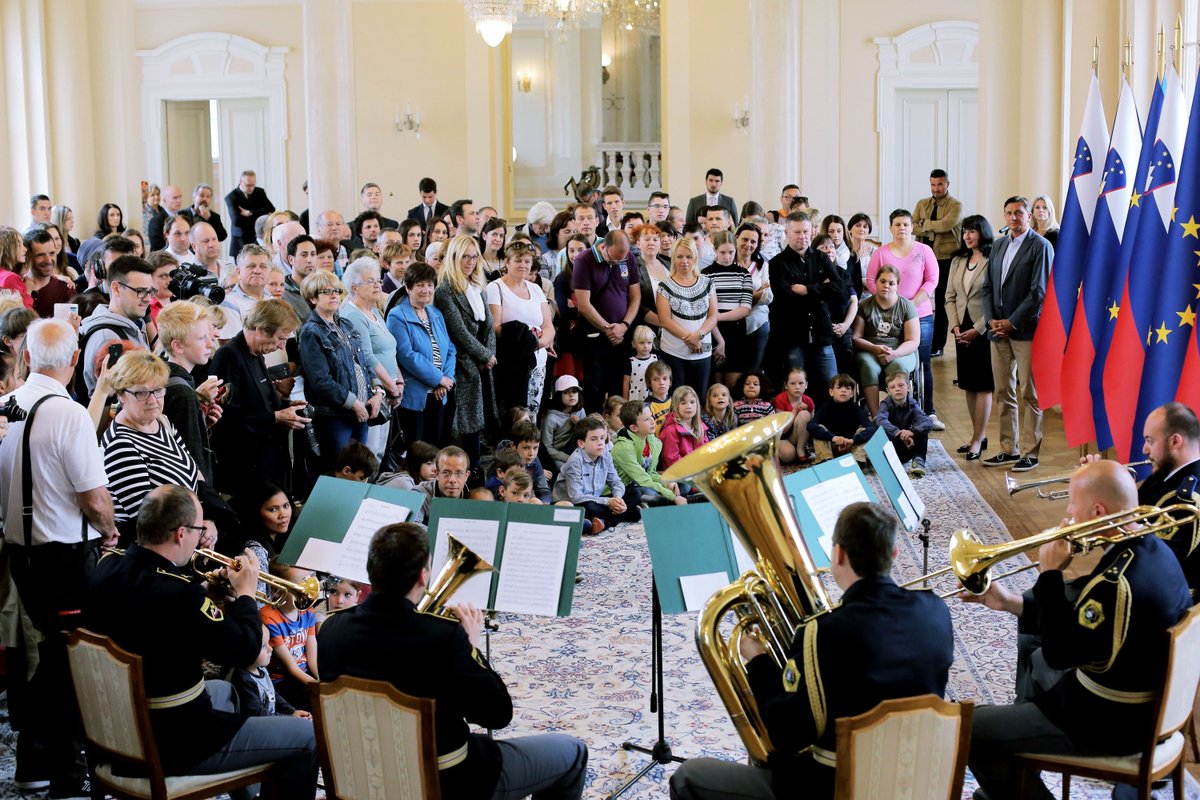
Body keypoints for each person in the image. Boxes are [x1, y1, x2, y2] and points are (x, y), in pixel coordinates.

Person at [669, 502, 953, 800]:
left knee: (689, 777)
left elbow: (786, 735)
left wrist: (758, 661)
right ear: (893, 554)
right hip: (916, 784)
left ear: (838, 554)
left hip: (838, 788)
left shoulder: (823, 631)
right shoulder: (936, 609)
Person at [963, 460, 1191, 800]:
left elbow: (1059, 653)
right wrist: (1009, 602)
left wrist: (1050, 574)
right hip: (1143, 702)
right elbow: (1081, 625)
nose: (1067, 514)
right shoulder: (1152, 547)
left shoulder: (1117, 581)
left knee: (970, 728)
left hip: (1109, 723)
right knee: (1033, 654)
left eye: (1072, 503)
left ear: (1098, 511)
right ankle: (1016, 767)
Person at [319, 521, 587, 798]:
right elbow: (497, 714)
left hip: (362, 778)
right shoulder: (443, 638)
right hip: (446, 783)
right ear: (423, 576)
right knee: (572, 752)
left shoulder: (330, 629)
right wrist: (470, 646)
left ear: (370, 572)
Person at [85, 485, 318, 799]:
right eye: (199, 530)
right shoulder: (181, 595)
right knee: (309, 736)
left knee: (226, 691)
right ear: (181, 533)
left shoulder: (107, 567)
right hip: (176, 742)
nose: (201, 538)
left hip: (119, 725)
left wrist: (208, 594)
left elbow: (155, 615)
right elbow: (247, 651)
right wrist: (247, 595)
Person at [0, 318, 120, 797]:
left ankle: (36, 763)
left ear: (27, 357)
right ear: (74, 359)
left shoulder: (8, 405)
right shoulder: (69, 413)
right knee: (70, 663)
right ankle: (65, 774)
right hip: (63, 556)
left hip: (21, 552)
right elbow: (94, 498)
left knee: (55, 656)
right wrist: (110, 530)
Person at [101, 351, 208, 544]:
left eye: (158, 390)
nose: (152, 400)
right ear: (121, 395)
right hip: (160, 545)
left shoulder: (161, 422)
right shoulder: (120, 444)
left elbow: (195, 473)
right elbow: (147, 521)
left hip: (188, 533)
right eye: (141, 393)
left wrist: (210, 520)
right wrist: (199, 530)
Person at [981, 196, 1053, 473]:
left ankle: (1030, 452)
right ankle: (1007, 448)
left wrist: (1012, 322)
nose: (1014, 217)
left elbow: (1038, 293)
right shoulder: (999, 245)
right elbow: (988, 288)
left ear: (1028, 216)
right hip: (997, 330)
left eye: (1019, 213)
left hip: (1026, 330)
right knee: (1003, 391)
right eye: (1009, 213)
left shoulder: (1041, 246)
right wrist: (991, 321)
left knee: (1030, 393)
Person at [210, 299, 307, 493]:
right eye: (280, 338)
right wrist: (276, 416)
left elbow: (259, 401)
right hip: (244, 466)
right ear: (261, 330)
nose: (282, 346)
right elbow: (227, 418)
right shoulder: (229, 356)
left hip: (267, 460)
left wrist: (285, 407)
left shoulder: (256, 354)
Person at [298, 270, 382, 473]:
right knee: (338, 471)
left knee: (358, 470)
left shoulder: (345, 323)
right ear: (312, 298)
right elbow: (321, 381)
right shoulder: (311, 331)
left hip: (361, 410)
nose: (334, 295)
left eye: (336, 291)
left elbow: (363, 363)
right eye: (326, 292)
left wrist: (377, 391)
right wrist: (354, 403)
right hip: (334, 416)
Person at [865, 209, 941, 427]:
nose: (902, 228)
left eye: (906, 224)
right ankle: (893, 412)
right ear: (890, 227)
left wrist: (910, 304)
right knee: (894, 359)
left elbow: (932, 280)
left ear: (912, 227)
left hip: (920, 314)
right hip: (888, 316)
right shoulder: (881, 253)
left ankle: (929, 411)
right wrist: (890, 303)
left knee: (923, 362)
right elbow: (871, 280)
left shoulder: (924, 250)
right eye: (897, 224)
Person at [435, 235, 498, 464]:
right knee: (465, 423)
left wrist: (489, 354)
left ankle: (476, 469)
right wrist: (484, 354)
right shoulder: (445, 290)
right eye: (465, 257)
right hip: (462, 362)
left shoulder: (478, 286)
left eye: (474, 257)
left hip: (482, 362)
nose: (470, 262)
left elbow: (489, 326)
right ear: (454, 258)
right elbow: (458, 331)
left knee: (481, 421)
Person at [768, 214, 844, 401]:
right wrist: (821, 292)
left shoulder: (821, 258)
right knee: (797, 388)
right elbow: (785, 298)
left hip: (821, 332)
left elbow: (839, 289)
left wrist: (807, 290)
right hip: (794, 334)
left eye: (805, 231)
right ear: (787, 232)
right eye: (797, 232)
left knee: (832, 383)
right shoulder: (777, 263)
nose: (802, 236)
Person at [340, 257, 403, 460]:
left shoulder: (374, 310)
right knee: (370, 451)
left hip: (389, 389)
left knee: (381, 450)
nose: (377, 285)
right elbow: (366, 357)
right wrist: (391, 387)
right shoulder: (352, 315)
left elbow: (389, 349)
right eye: (370, 281)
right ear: (354, 288)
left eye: (378, 280)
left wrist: (399, 381)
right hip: (372, 391)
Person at [573, 230, 642, 413]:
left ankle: (617, 426)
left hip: (622, 334)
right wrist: (609, 330)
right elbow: (583, 305)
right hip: (595, 334)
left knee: (618, 387)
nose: (617, 263)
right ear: (603, 246)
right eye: (613, 259)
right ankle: (595, 425)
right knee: (594, 388)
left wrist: (624, 326)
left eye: (621, 259)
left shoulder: (628, 258)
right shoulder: (584, 260)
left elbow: (635, 297)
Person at [944, 214, 995, 459]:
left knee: (983, 385)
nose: (967, 235)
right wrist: (955, 326)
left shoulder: (993, 258)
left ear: (983, 232)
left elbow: (995, 299)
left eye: (972, 231)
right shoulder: (958, 260)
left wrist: (978, 328)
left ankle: (978, 437)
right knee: (969, 384)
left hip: (983, 329)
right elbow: (949, 296)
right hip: (961, 329)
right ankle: (977, 436)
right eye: (965, 231)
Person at [390, 261, 456, 447]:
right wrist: (438, 379)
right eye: (419, 285)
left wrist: (446, 379)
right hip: (415, 396)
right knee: (417, 450)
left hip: (440, 394)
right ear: (408, 288)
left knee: (436, 448)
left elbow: (450, 349)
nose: (426, 289)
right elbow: (406, 355)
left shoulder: (435, 313)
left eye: (429, 284)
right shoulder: (397, 315)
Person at [487, 240, 555, 417]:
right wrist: (524, 340)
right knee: (514, 413)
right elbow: (495, 327)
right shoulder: (495, 288)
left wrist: (536, 344)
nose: (523, 265)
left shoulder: (536, 289)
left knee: (533, 413)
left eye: (527, 261)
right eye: (518, 260)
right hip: (510, 362)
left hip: (538, 360)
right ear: (507, 262)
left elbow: (548, 326)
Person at [159, 301, 221, 483]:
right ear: (177, 346)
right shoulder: (181, 393)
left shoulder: (167, 378)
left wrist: (200, 422)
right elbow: (191, 457)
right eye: (201, 338)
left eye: (209, 336)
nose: (210, 344)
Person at [79, 255, 155, 396]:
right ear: (116, 288)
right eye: (140, 291)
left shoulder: (134, 326)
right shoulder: (108, 338)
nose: (148, 299)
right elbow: (106, 399)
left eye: (150, 291)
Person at [851, 263, 920, 418]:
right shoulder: (864, 306)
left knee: (898, 367)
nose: (886, 286)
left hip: (900, 351)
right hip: (870, 350)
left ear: (897, 286)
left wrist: (894, 354)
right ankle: (877, 417)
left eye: (891, 283)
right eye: (882, 281)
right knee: (867, 366)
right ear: (875, 282)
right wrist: (874, 349)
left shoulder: (907, 306)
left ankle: (900, 416)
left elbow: (913, 341)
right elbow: (856, 337)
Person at [554, 416, 640, 533]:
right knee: (591, 508)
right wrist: (608, 502)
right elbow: (576, 497)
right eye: (594, 439)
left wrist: (617, 499)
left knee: (635, 493)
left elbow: (616, 482)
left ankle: (603, 521)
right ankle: (615, 518)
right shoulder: (575, 461)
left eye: (602, 438)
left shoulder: (606, 454)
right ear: (581, 443)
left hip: (596, 500)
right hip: (574, 504)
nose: (600, 443)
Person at [911, 169, 963, 358]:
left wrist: (925, 224)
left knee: (942, 302)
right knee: (917, 297)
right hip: (922, 258)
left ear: (947, 184)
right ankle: (916, 339)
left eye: (940, 184)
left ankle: (938, 344)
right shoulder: (922, 203)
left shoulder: (955, 205)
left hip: (946, 259)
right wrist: (933, 226)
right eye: (933, 184)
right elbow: (912, 226)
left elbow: (946, 225)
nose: (936, 188)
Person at [656, 237, 717, 393]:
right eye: (680, 256)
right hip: (674, 352)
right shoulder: (664, 286)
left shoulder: (707, 283)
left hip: (702, 351)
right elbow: (664, 320)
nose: (684, 261)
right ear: (673, 258)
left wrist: (699, 335)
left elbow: (713, 316)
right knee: (677, 397)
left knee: (700, 396)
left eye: (689, 257)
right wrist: (690, 338)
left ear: (695, 258)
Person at [613, 400, 687, 507]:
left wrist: (667, 483)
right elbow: (643, 479)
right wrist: (672, 496)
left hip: (644, 483)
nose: (653, 421)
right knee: (647, 492)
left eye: (651, 416)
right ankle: (674, 502)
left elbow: (651, 473)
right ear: (634, 428)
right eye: (646, 419)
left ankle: (671, 502)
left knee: (684, 485)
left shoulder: (653, 441)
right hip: (623, 490)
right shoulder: (623, 448)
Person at [807, 374, 875, 463]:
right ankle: (826, 460)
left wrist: (853, 440)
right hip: (832, 448)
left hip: (851, 448)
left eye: (847, 388)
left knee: (864, 430)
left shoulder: (856, 409)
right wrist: (833, 438)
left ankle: (857, 461)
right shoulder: (826, 407)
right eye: (839, 387)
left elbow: (872, 428)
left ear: (852, 393)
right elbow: (811, 425)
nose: (843, 390)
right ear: (831, 392)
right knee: (819, 428)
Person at [876, 372, 932, 477]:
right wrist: (898, 432)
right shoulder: (885, 404)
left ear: (909, 387)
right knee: (879, 429)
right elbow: (881, 420)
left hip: (909, 444)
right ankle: (887, 462)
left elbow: (927, 422)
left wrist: (912, 432)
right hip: (893, 443)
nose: (897, 389)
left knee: (922, 431)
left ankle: (918, 461)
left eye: (901, 385)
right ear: (888, 391)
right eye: (892, 387)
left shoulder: (913, 404)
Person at [22, 229, 74, 318]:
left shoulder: (66, 290)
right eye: (40, 255)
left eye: (52, 253)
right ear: (28, 256)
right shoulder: (16, 288)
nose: (49, 260)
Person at [226, 170, 275, 257]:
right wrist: (259, 214)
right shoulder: (231, 197)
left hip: (258, 236)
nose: (251, 188)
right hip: (241, 239)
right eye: (248, 185)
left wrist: (250, 213)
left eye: (253, 185)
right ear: (240, 182)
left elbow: (271, 209)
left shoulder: (259, 192)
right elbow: (236, 221)